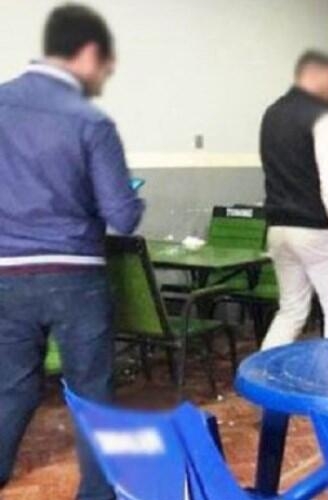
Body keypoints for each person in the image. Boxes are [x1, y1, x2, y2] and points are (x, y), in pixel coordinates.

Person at [0, 4, 144, 500]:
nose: (102, 78)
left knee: (10, 386)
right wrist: (132, 197)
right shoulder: (90, 121)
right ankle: (98, 494)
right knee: (92, 391)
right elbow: (122, 216)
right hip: (75, 275)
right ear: (86, 53)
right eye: (105, 68)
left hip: (5, 274)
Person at [260, 50, 328, 349]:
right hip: (318, 229)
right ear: (314, 76)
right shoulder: (323, 117)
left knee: (290, 311)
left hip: (278, 228)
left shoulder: (271, 114)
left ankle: (262, 373)